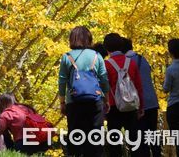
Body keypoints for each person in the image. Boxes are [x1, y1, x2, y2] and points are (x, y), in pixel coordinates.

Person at [58, 26, 110, 157]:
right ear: (89, 39)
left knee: (75, 134)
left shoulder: (66, 57)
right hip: (95, 100)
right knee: (95, 135)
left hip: (73, 101)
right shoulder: (96, 56)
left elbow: (62, 81)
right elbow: (104, 79)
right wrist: (107, 99)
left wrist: (62, 102)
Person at [104, 33, 144, 157]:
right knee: (134, 140)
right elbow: (138, 86)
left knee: (114, 141)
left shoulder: (106, 64)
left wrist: (104, 108)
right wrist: (141, 106)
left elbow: (104, 88)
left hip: (113, 106)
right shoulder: (131, 63)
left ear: (107, 48)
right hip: (131, 105)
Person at [121, 37, 161, 157]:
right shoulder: (142, 58)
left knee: (139, 139)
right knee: (152, 134)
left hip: (138, 103)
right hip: (152, 101)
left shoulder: (125, 62)